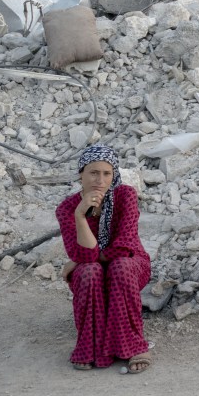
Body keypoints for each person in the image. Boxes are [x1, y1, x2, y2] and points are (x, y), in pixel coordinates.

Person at [56, 144, 152, 372]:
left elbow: (123, 246)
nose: (100, 180)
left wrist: (76, 262)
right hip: (91, 266)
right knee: (90, 271)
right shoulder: (67, 209)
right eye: (93, 173)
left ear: (113, 175)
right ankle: (89, 347)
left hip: (131, 263)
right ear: (81, 174)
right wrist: (80, 214)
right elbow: (86, 256)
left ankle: (134, 346)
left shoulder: (124, 195)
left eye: (106, 173)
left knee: (120, 266)